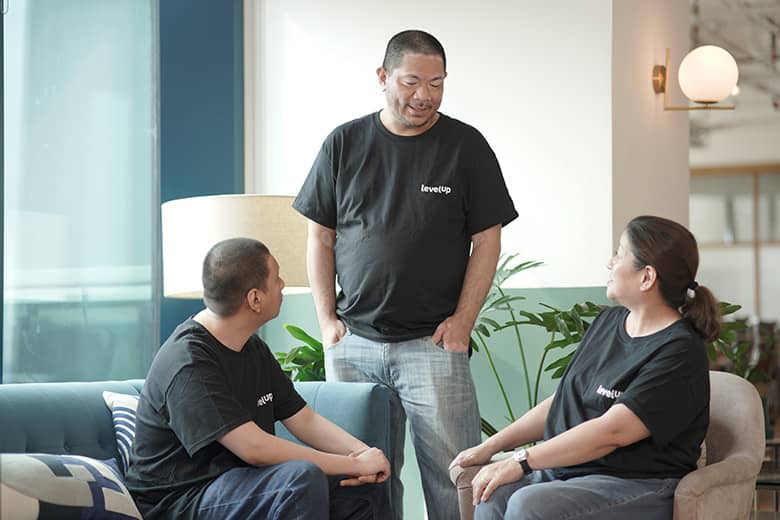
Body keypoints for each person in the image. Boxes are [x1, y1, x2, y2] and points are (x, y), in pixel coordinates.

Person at [292, 29, 518, 520]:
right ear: (382, 77)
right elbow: (320, 237)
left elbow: (489, 239)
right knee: (360, 475)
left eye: (436, 83)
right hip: (353, 342)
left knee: (452, 476)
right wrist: (327, 322)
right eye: (412, 81)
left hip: (433, 344)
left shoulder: (466, 146)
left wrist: (463, 322)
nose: (425, 95)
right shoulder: (343, 143)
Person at [450, 215, 721, 520]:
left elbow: (613, 431)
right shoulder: (609, 322)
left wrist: (522, 461)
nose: (610, 262)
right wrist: (490, 447)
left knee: (529, 506)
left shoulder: (680, 351)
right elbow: (563, 400)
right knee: (491, 495)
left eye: (620, 252)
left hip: (638, 483)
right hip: (574, 474)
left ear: (646, 277)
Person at [124, 238, 390, 520]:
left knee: (363, 485)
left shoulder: (251, 348)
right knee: (300, 478)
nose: (283, 284)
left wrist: (364, 455)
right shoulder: (187, 362)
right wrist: (351, 465)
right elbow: (254, 449)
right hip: (179, 500)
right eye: (276, 278)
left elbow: (304, 419)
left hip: (240, 485)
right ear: (255, 299)